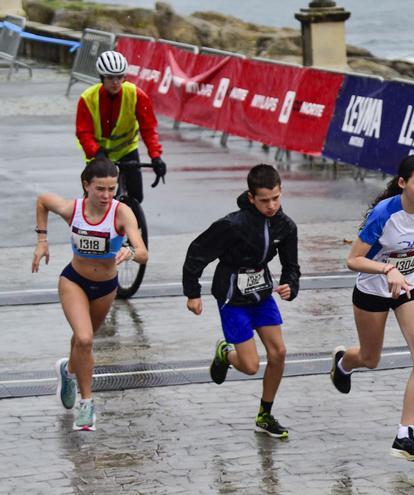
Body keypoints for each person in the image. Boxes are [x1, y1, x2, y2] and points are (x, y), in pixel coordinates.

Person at [329, 155, 414, 463]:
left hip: (408, 288)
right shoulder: (383, 215)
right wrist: (386, 270)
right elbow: (353, 260)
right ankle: (343, 363)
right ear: (403, 183)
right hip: (372, 290)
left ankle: (404, 435)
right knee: (370, 359)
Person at [182, 164, 300, 439]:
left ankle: (265, 414)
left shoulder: (286, 226)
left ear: (281, 192)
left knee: (279, 353)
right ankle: (225, 353)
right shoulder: (233, 224)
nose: (271, 206)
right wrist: (192, 293)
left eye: (276, 198)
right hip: (232, 296)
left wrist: (290, 286)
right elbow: (197, 252)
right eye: (264, 200)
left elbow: (291, 265)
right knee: (249, 366)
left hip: (261, 295)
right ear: (251, 197)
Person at [32, 157, 148, 431]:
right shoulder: (73, 209)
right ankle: (87, 405)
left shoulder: (121, 213)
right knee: (84, 339)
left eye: (112, 188)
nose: (107, 195)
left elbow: (143, 253)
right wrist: (41, 241)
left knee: (82, 343)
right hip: (74, 281)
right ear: (86, 185)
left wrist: (130, 251)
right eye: (100, 189)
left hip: (106, 288)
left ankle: (69, 371)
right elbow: (43, 201)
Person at [75, 50, 167, 204]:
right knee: (98, 200)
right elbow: (84, 132)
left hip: (127, 152)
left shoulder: (136, 95)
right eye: (110, 78)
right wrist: (96, 152)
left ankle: (130, 224)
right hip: (99, 153)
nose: (116, 82)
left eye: (120, 77)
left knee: (136, 198)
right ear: (102, 78)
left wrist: (156, 156)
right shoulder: (87, 98)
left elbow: (148, 129)